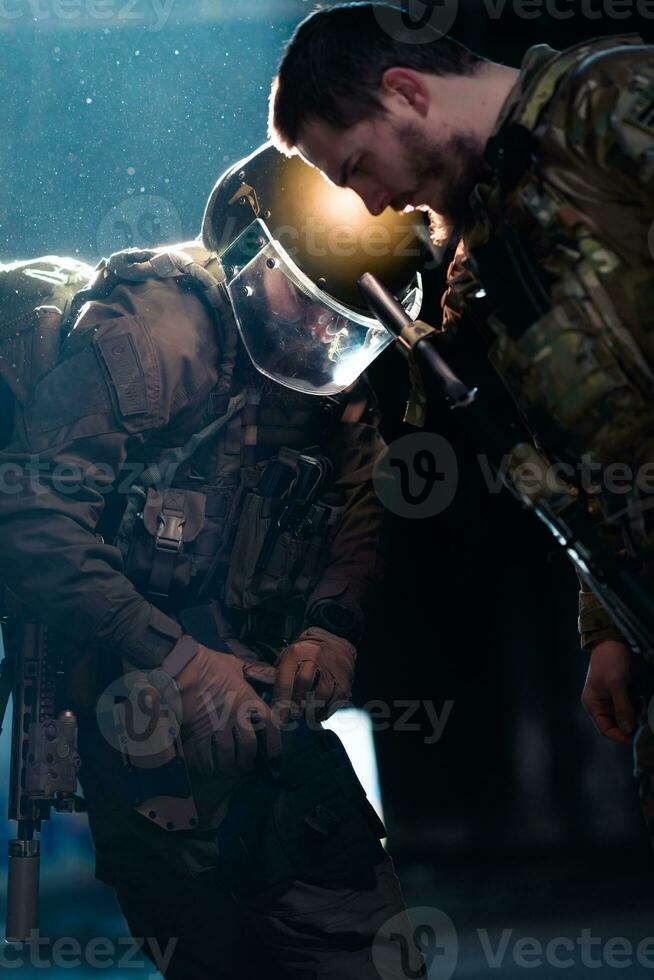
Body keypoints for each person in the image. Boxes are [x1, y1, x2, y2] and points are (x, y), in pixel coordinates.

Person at [0, 142, 428, 978]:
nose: (320, 334)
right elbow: (34, 526)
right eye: (304, 303)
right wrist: (184, 666)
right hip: (127, 665)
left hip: (243, 666)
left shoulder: (324, 361)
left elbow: (360, 500)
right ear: (243, 252)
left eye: (342, 329)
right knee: (212, 944)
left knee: (362, 934)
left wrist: (331, 627)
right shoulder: (153, 337)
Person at [268, 4, 654, 817]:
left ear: (406, 92)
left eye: (358, 167)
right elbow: (585, 452)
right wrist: (611, 623)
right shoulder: (480, 255)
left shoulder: (608, 99)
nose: (372, 204)